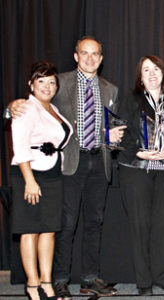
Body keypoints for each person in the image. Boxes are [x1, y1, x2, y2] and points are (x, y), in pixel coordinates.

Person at [9, 36, 123, 299]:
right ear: (76, 56)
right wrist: (10, 108)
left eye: (95, 54)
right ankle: (59, 279)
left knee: (95, 222)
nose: (90, 58)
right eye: (85, 53)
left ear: (102, 58)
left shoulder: (111, 90)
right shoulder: (58, 83)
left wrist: (113, 138)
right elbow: (32, 104)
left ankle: (89, 278)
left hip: (100, 160)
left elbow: (110, 127)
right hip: (70, 163)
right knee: (66, 224)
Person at [117, 55, 164, 296]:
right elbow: (120, 133)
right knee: (140, 226)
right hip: (136, 170)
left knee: (163, 225)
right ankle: (144, 282)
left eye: (156, 69)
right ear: (140, 77)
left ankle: (162, 276)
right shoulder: (131, 100)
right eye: (146, 70)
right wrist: (139, 153)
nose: (152, 73)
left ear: (163, 73)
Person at [11, 61, 72, 300]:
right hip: (31, 174)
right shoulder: (25, 108)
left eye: (51, 82)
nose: (47, 86)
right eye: (41, 81)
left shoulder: (52, 109)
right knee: (30, 231)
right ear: (31, 84)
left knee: (48, 231)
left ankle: (46, 282)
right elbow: (20, 146)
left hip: (53, 174)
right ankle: (32, 285)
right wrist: (29, 180)